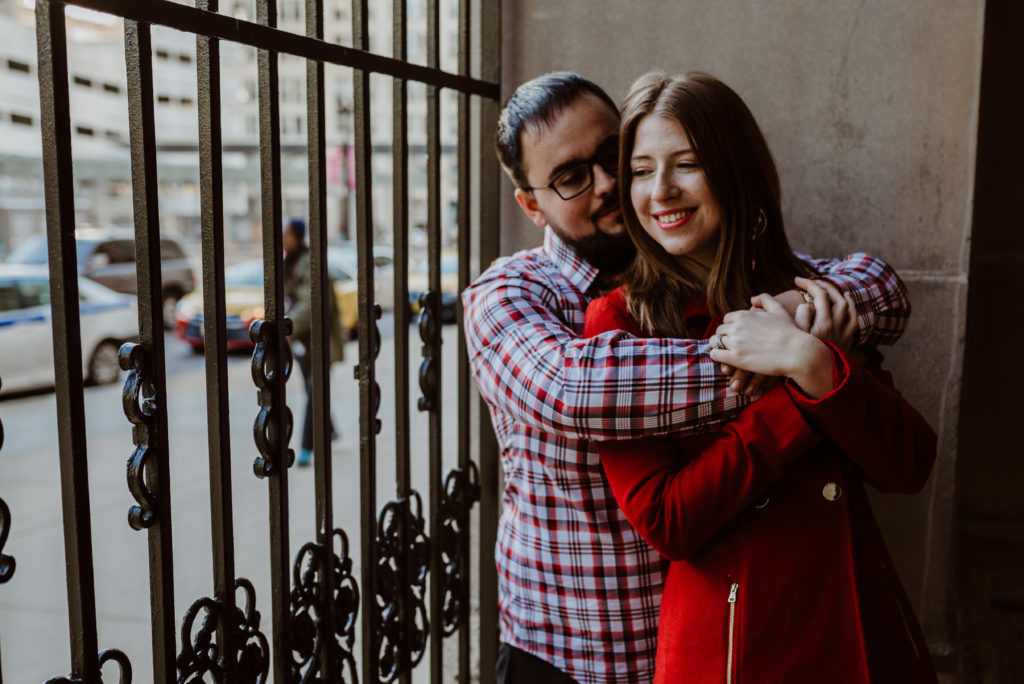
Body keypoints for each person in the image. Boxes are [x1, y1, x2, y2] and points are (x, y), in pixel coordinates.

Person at [463, 71, 914, 684]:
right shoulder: (513, 293)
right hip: (577, 649)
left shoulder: (757, 285)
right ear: (532, 203)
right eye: (571, 176)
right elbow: (576, 391)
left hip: (732, 634)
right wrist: (794, 359)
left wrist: (799, 333)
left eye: (614, 157)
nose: (610, 184)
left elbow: (879, 284)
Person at [583, 71, 937, 682]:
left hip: (859, 629)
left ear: (736, 168)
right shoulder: (620, 318)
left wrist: (814, 363)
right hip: (736, 648)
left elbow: (909, 464)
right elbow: (667, 519)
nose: (660, 191)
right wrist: (797, 397)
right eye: (641, 170)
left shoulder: (808, 293)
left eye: (686, 163)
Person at [282, 218, 345, 467]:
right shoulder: (290, 262)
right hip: (303, 342)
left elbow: (310, 305)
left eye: (287, 234)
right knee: (313, 390)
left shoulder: (309, 263)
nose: (284, 238)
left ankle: (307, 447)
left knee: (313, 391)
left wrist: (286, 329)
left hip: (322, 339)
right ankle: (330, 429)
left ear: (298, 237)